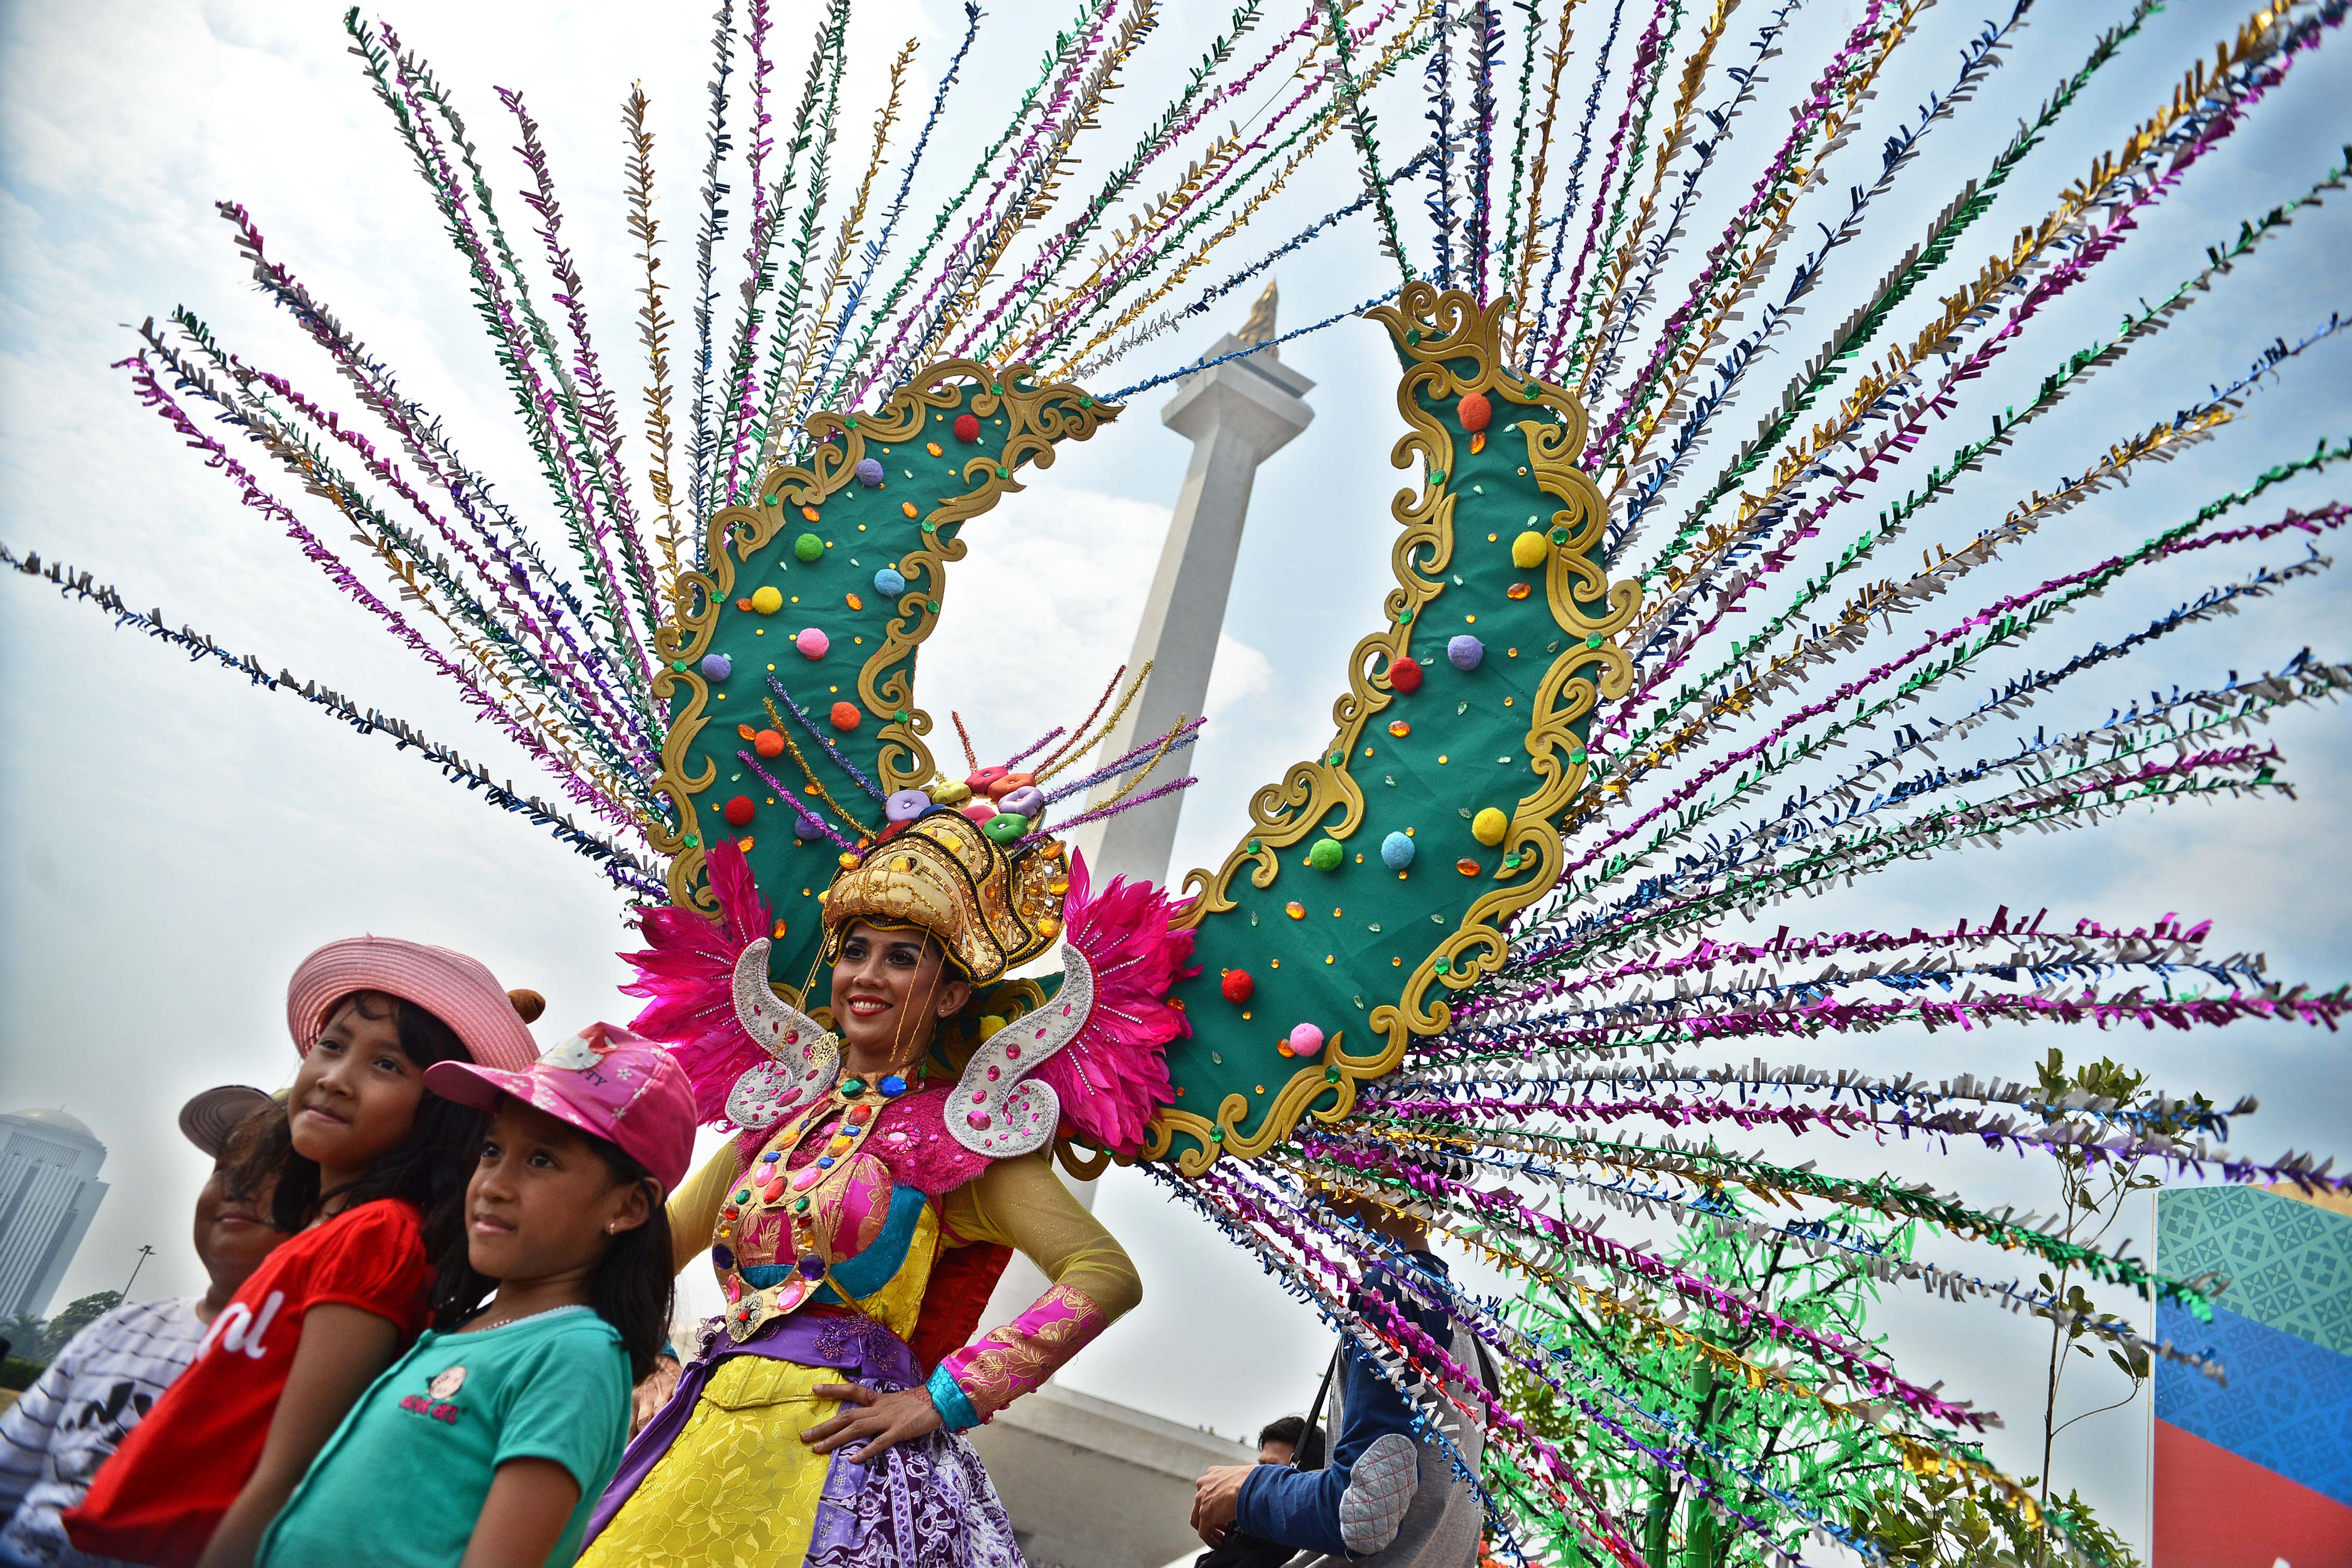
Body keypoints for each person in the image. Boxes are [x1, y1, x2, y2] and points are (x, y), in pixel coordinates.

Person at [580, 818, 1187, 1567]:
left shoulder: (964, 1142)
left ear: (951, 994)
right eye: (855, 953)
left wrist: (945, 1397)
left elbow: (1104, 1275)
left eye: (902, 959)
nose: (867, 976)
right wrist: (647, 1362)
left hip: (849, 1460)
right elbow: (646, 1251)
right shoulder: (774, 1124)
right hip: (700, 1432)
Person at [65, 938, 543, 1568]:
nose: (337, 1079)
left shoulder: (378, 1236)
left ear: (440, 1114)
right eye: (333, 1045)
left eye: (388, 1066)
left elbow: (286, 1474)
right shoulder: (325, 1230)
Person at [255, 1022, 693, 1568]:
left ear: (627, 1206)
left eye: (541, 1160)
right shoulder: (464, 1329)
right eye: (491, 1149)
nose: (493, 1183)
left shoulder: (574, 1355)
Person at [0, 1087, 288, 1566]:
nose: (241, 1185)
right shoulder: (124, 1328)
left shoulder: (319, 1369)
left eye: (280, 1174)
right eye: (228, 1168)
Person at [1191, 1194, 1491, 1568]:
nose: (1305, 1173)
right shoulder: (1472, 1338)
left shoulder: (1393, 1293)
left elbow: (1364, 1514)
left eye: (1319, 1138)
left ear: (1380, 1153)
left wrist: (1248, 1487)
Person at [1191, 1417, 1329, 1568]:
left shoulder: (1314, 1549)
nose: (1260, 1478)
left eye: (1273, 1469)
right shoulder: (1241, 1530)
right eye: (1262, 1466)